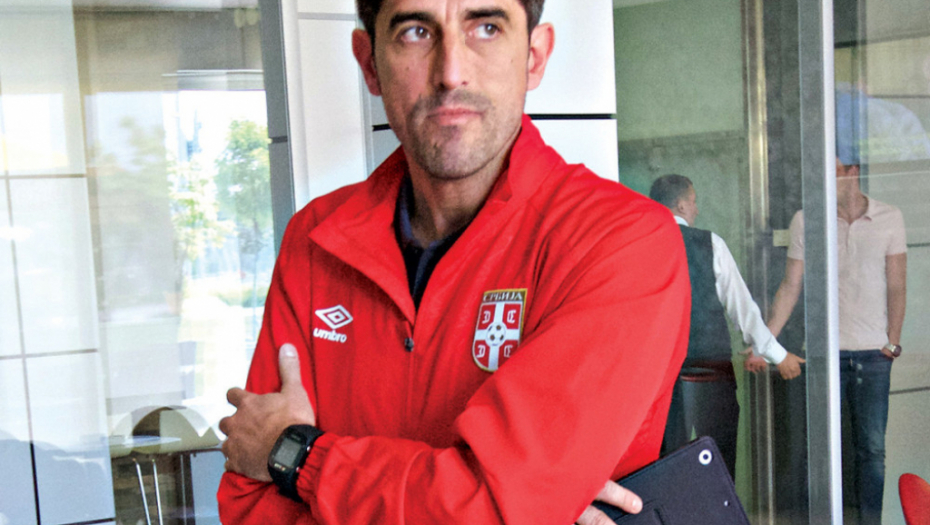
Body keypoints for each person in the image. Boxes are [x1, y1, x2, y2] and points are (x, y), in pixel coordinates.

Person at [216, 1, 691, 524]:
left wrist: (295, 456)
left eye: (486, 27)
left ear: (534, 57)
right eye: (415, 31)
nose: (451, 72)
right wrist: (491, 501)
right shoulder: (315, 240)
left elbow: (491, 508)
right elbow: (248, 503)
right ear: (370, 63)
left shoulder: (620, 241)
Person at [766, 147, 907, 522]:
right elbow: (790, 286)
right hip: (824, 354)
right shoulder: (807, 219)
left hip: (874, 353)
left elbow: (897, 286)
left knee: (871, 451)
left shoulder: (889, 217)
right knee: (821, 449)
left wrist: (892, 342)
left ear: (852, 171)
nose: (823, 182)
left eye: (833, 172)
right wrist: (765, 341)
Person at [648, 174, 805, 476]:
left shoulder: (640, 245)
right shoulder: (710, 244)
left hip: (660, 376)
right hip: (711, 372)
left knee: (666, 465)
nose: (696, 209)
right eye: (693, 202)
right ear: (681, 205)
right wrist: (778, 354)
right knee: (718, 459)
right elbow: (743, 310)